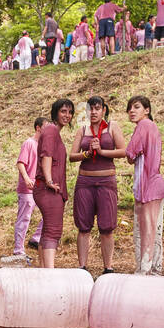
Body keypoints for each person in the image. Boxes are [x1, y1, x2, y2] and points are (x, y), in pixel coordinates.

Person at [69, 96, 125, 274]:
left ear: (104, 110)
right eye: (90, 109)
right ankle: (82, 267)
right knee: (83, 226)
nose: (93, 112)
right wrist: (87, 154)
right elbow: (72, 156)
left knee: (107, 227)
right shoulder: (82, 130)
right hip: (85, 181)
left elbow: (123, 151)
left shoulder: (112, 127)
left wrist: (101, 151)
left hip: (106, 181)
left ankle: (108, 267)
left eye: (97, 108)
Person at [123, 95, 164, 275]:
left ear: (147, 110)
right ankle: (155, 269)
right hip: (155, 184)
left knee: (144, 230)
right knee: (154, 230)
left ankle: (144, 270)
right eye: (130, 108)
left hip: (147, 186)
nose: (132, 111)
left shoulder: (144, 125)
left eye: (136, 107)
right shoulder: (153, 127)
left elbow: (130, 153)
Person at [33, 98, 75, 269]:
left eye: (70, 112)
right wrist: (49, 180)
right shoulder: (51, 130)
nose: (67, 115)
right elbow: (47, 155)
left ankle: (43, 270)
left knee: (47, 229)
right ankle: (49, 272)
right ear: (55, 112)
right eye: (63, 111)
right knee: (53, 230)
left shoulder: (53, 131)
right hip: (48, 188)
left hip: (47, 187)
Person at [9, 118, 45, 261]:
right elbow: (20, 163)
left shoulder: (43, 145)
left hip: (40, 188)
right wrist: (26, 179)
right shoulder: (29, 143)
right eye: (45, 127)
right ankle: (18, 250)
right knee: (24, 218)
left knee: (49, 214)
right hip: (27, 188)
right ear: (38, 128)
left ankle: (36, 238)